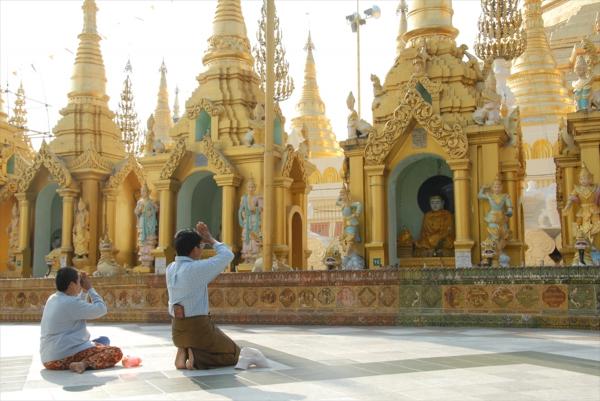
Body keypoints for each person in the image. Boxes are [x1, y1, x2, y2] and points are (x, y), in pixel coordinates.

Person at [167, 222, 268, 370]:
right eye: (200, 246)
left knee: (202, 342)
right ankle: (196, 358)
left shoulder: (171, 268)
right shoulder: (195, 268)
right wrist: (210, 239)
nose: (201, 250)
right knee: (234, 354)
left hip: (177, 329)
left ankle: (183, 349)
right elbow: (228, 255)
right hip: (198, 327)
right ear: (194, 250)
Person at [40, 267, 122, 373]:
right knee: (115, 352)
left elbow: (77, 309)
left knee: (103, 340)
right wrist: (90, 289)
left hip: (48, 359)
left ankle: (84, 360)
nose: (80, 284)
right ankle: (84, 364)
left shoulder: (53, 298)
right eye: (79, 282)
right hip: (62, 358)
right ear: (71, 284)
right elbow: (101, 309)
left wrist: (84, 291)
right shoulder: (69, 303)